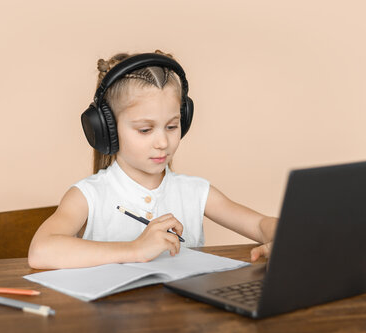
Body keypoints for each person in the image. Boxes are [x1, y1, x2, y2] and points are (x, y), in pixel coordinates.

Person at [28, 50, 277, 269]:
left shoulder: (196, 192)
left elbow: (260, 225)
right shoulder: (87, 196)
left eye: (171, 126)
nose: (163, 142)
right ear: (107, 130)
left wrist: (279, 236)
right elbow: (40, 252)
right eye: (145, 130)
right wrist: (135, 249)